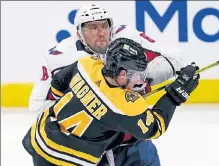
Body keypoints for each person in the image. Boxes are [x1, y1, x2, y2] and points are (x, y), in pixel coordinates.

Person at [28, 3, 183, 166]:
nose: (101, 33)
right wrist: (91, 108)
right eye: (92, 27)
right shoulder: (59, 57)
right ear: (79, 33)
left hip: (134, 144)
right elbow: (38, 108)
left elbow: (174, 58)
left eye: (104, 25)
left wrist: (139, 83)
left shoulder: (126, 38)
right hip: (92, 155)